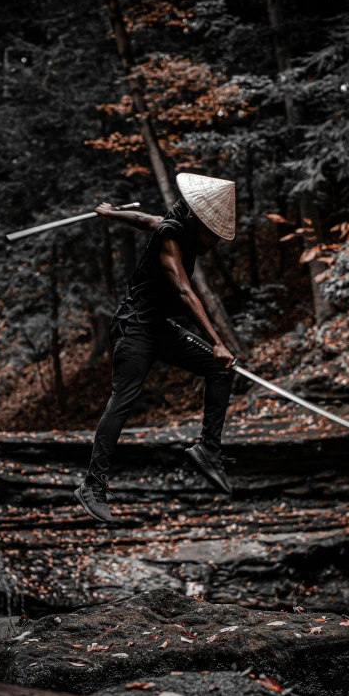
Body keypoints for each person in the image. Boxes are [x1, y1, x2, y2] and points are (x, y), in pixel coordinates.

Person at [74, 173, 237, 523]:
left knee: (220, 368)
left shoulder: (174, 224)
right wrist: (218, 341)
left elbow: (145, 219)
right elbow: (182, 291)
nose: (214, 242)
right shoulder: (172, 236)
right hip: (135, 328)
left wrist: (111, 212)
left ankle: (209, 449)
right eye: (212, 233)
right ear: (197, 219)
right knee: (123, 400)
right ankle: (92, 486)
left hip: (159, 327)